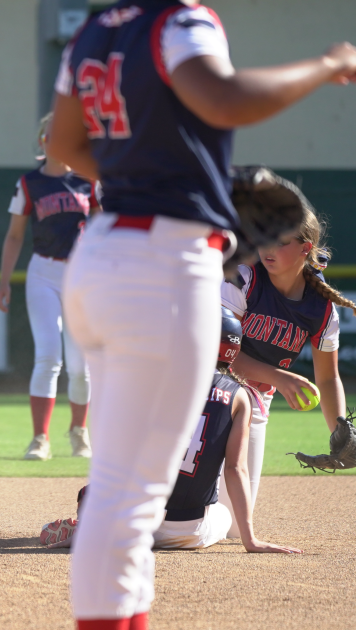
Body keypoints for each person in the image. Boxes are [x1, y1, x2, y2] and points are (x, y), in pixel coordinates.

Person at [45, 0, 356, 627]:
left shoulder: (92, 29)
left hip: (103, 257)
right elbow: (223, 99)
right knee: (134, 494)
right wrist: (327, 64)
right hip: (162, 260)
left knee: (126, 482)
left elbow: (61, 143)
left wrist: (152, 175)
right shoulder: (181, 18)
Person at [217, 208, 354, 534]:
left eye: (280, 241)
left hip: (255, 403)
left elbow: (327, 377)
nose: (267, 248)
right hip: (209, 392)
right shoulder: (244, 278)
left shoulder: (320, 307)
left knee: (235, 526)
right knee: (199, 514)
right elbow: (217, 354)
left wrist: (340, 429)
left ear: (306, 249)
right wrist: (280, 377)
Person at [0, 114, 100, 461]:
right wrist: (4, 281)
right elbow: (14, 235)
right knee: (48, 356)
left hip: (82, 277)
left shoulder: (90, 182)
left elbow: (106, 230)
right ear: (42, 141)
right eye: (52, 134)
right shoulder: (30, 183)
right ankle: (40, 438)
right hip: (44, 272)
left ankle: (79, 432)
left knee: (81, 366)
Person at [153, 308, 298, 553]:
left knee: (91, 495)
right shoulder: (240, 396)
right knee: (222, 514)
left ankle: (96, 528)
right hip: (192, 532)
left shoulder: (156, 379)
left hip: (137, 523)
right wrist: (250, 540)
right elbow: (235, 468)